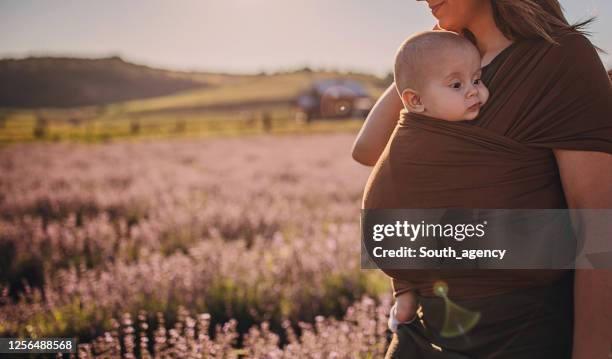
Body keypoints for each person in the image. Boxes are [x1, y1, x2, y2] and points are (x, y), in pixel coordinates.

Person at [353, 1, 612, 358]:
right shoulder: (449, 62)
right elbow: (366, 149)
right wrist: (425, 58)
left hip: (515, 336)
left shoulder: (559, 58)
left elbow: (597, 226)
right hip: (422, 334)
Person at [394, 31, 489, 122]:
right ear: (416, 101)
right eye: (456, 85)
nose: (474, 91)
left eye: (476, 81)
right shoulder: (420, 137)